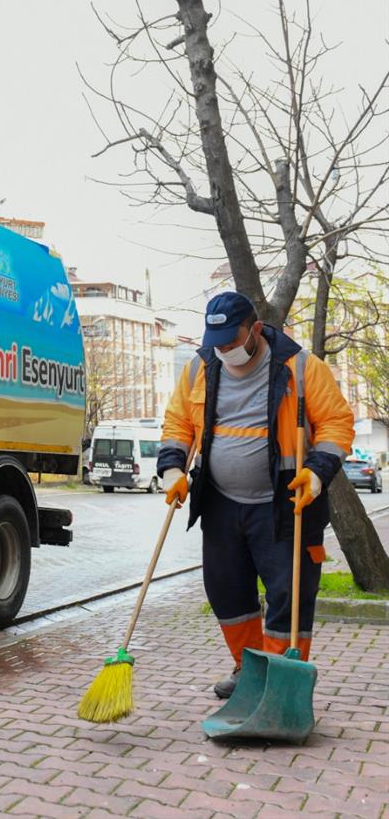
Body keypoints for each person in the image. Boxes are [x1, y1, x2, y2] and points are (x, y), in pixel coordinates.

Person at [158, 291, 354, 699]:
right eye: (218, 343)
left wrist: (317, 474)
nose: (226, 350)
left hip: (285, 503)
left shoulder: (300, 368)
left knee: (289, 594)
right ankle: (249, 668)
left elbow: (336, 423)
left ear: (256, 330)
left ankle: (280, 676)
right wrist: (173, 468)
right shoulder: (200, 367)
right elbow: (178, 422)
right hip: (221, 502)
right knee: (226, 590)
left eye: (233, 340)